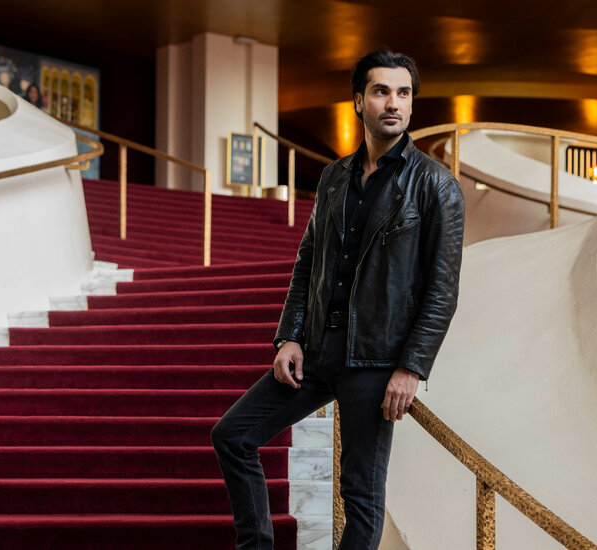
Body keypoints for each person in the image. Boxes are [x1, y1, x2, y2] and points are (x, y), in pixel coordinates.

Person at [212, 48, 465, 550]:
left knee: (360, 496)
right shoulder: (333, 178)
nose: (393, 103)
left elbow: (443, 289)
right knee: (232, 435)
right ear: (358, 101)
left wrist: (412, 367)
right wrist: (289, 335)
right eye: (381, 91)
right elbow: (308, 262)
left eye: (403, 93)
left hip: (375, 360)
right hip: (316, 350)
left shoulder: (436, 185)